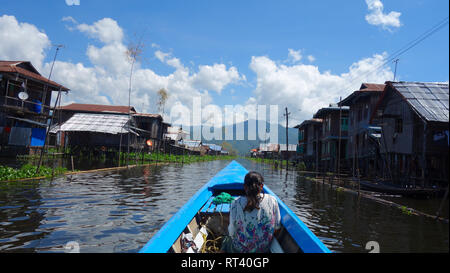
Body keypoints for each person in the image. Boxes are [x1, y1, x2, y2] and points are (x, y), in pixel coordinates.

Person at [222, 171, 281, 253]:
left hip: (241, 250)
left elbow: (232, 231)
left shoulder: (236, 203)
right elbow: (277, 227)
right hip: (263, 249)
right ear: (262, 186)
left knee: (226, 239)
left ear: (244, 187)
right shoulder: (272, 200)